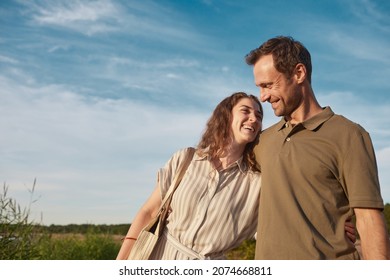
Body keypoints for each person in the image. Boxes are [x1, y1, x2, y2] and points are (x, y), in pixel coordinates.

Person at [245, 36, 389, 259]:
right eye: (259, 88)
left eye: (268, 85)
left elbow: (369, 220)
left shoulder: (349, 135)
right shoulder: (264, 141)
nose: (263, 97)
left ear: (299, 73)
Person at [117, 92, 263, 259]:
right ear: (226, 116)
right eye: (246, 111)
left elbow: (268, 233)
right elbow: (149, 211)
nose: (254, 119)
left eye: (259, 116)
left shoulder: (257, 183)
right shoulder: (186, 159)